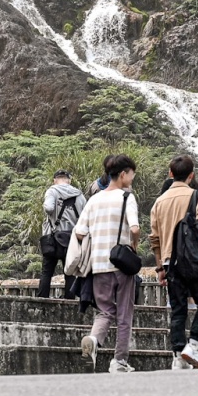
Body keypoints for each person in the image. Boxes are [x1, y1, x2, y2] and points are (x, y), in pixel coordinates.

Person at [72, 153, 141, 373]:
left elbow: (80, 233)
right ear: (122, 174)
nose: (131, 179)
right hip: (121, 264)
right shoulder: (126, 197)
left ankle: (93, 340)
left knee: (104, 312)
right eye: (131, 175)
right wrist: (134, 247)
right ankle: (119, 361)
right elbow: (135, 228)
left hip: (98, 265)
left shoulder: (94, 199)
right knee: (124, 314)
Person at [150, 155, 198, 369]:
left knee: (178, 309)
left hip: (170, 262)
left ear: (170, 174)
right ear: (191, 175)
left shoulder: (159, 202)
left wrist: (160, 267)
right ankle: (193, 344)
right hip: (193, 261)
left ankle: (177, 356)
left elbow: (155, 238)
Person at [38, 171, 85, 298]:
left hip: (52, 238)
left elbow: (48, 208)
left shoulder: (52, 191)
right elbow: (85, 217)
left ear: (55, 180)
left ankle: (41, 302)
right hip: (72, 239)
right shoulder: (79, 195)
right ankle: (69, 303)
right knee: (69, 271)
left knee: (47, 272)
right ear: (69, 180)